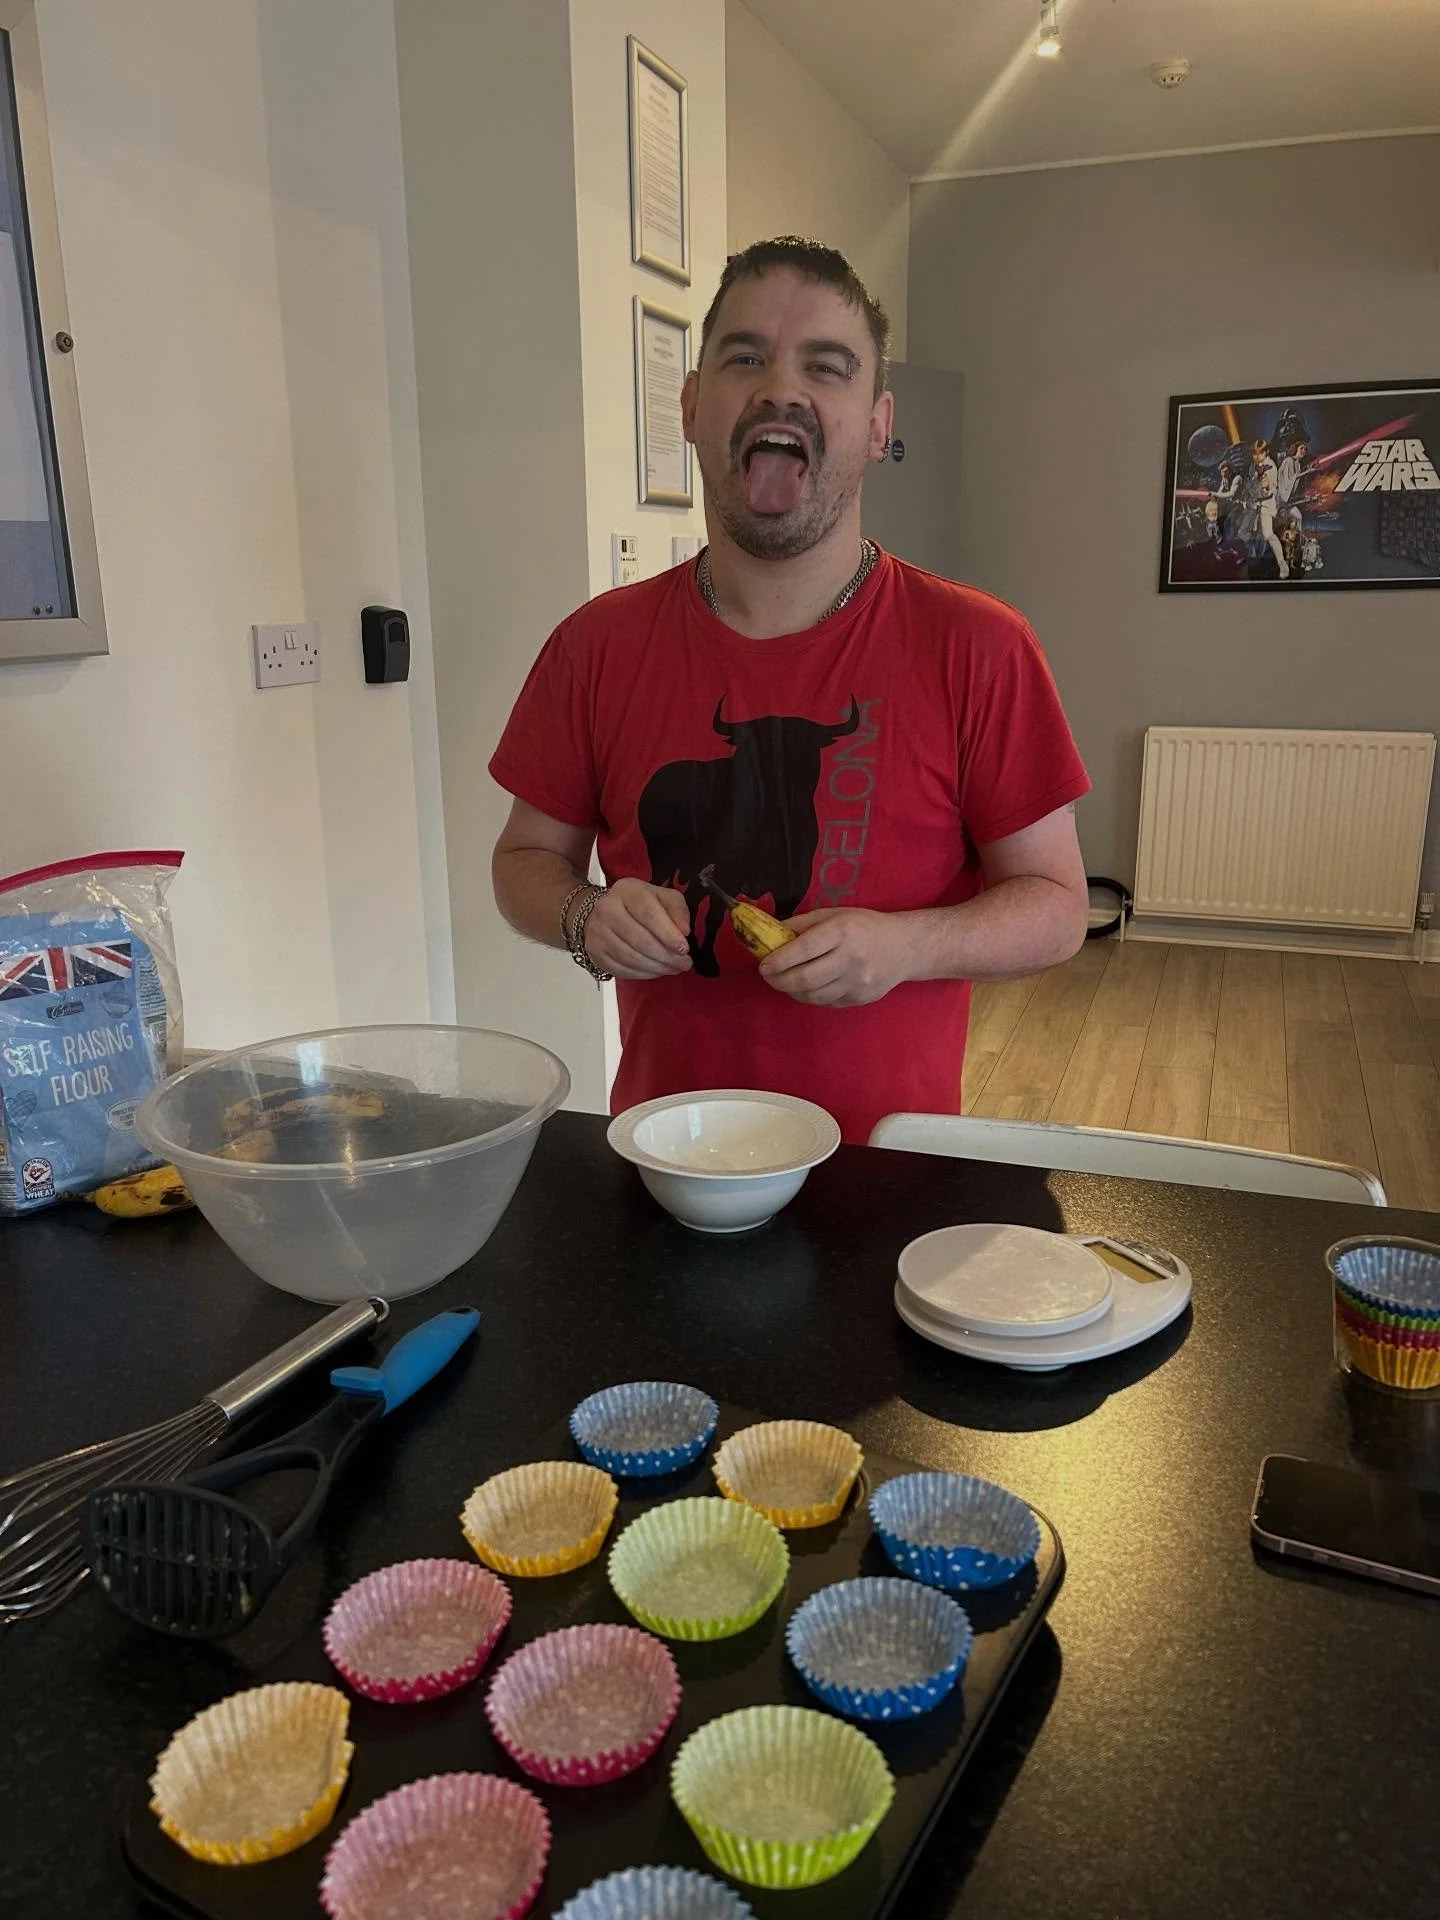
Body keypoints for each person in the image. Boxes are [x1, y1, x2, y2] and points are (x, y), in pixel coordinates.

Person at [489, 237, 1090, 1143]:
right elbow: (522, 863)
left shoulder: (981, 646)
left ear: (879, 425)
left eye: (827, 366)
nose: (780, 388)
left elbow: (1057, 906)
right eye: (745, 357)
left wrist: (907, 946)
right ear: (691, 408)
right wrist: (585, 915)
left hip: (893, 1169)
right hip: (668, 1152)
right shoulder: (593, 647)